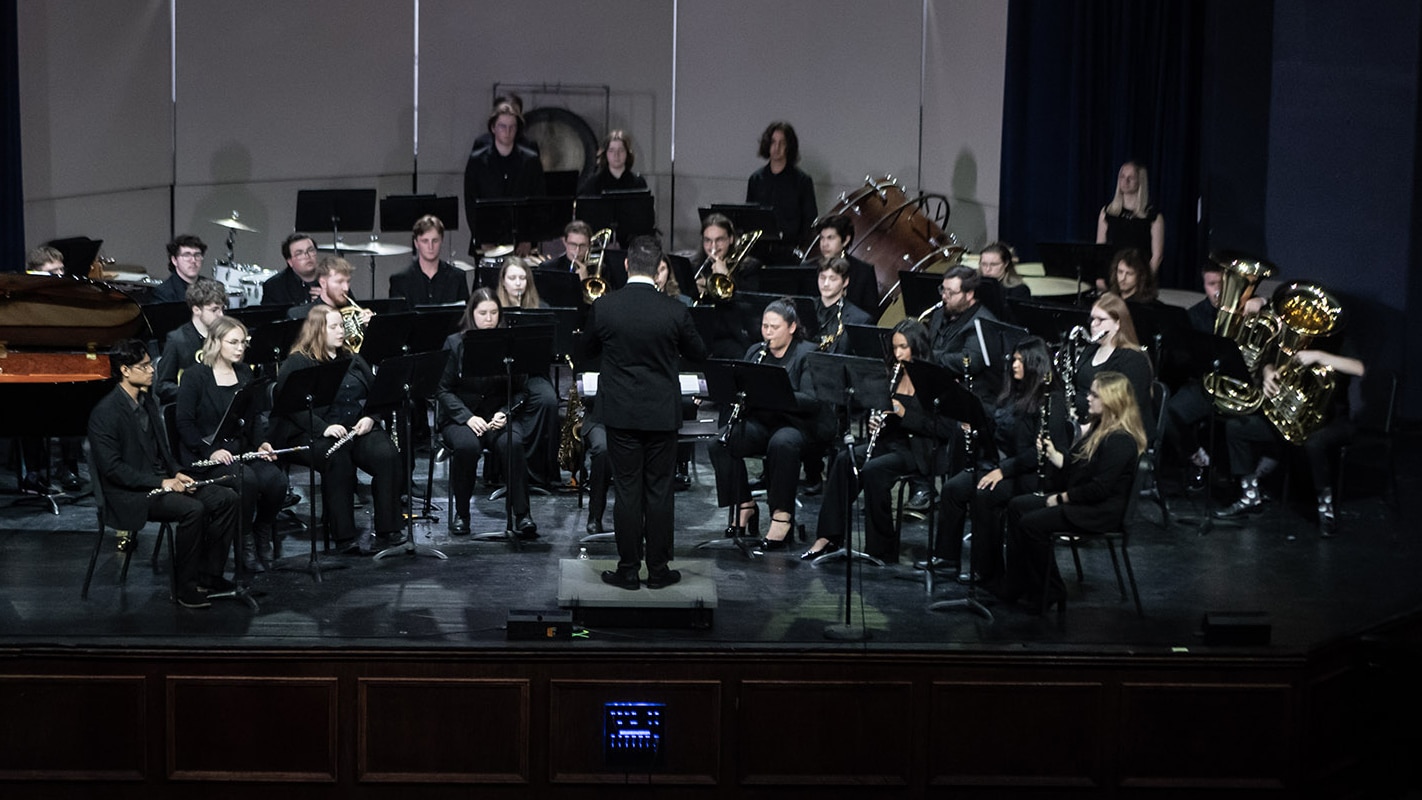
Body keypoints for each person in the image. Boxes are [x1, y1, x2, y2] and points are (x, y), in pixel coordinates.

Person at [582, 236, 708, 589]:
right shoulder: (674, 310)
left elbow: (585, 350)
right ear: (659, 270)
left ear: (626, 266)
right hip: (661, 415)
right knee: (659, 490)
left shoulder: (605, 307)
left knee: (626, 491)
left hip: (621, 415)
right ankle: (657, 570)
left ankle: (627, 570)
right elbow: (699, 353)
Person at [88, 339, 241, 609]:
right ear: (125, 370)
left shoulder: (147, 402)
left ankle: (209, 574)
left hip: (160, 481)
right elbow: (113, 470)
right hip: (131, 493)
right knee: (193, 510)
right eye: (144, 365)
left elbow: (164, 452)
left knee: (226, 498)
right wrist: (162, 482)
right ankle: (184, 586)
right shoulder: (105, 413)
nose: (151, 370)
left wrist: (178, 473)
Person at [995, 371, 1147, 613]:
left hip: (1098, 512)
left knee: (1032, 524)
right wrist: (1054, 455)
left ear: (1111, 401)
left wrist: (1059, 498)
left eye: (1095, 395)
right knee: (1016, 507)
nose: (1088, 398)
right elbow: (1079, 470)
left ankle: (1051, 589)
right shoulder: (1099, 431)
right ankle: (1019, 583)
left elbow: (1099, 489)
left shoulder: (1120, 440)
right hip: (1083, 501)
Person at [923, 336, 1069, 582]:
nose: (1014, 364)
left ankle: (987, 569)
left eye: (1021, 361)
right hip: (1000, 465)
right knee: (952, 488)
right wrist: (977, 427)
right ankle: (947, 558)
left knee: (985, 494)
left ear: (1035, 363)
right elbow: (1000, 428)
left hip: (1029, 475)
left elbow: (1039, 453)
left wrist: (1003, 471)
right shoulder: (1014, 393)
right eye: (1014, 359)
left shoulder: (1050, 400)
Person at [808, 320, 952, 563]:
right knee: (846, 460)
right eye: (895, 348)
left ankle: (882, 548)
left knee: (875, 470)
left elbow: (945, 429)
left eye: (903, 347)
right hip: (891, 442)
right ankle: (828, 536)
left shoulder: (935, 379)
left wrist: (905, 414)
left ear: (917, 347)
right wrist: (880, 422)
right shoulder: (894, 374)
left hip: (919, 450)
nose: (898, 354)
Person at [269, 305, 404, 555]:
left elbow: (377, 393)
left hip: (356, 428)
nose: (340, 331)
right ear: (317, 330)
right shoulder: (298, 362)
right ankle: (344, 536)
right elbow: (289, 406)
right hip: (312, 431)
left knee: (387, 455)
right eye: (333, 327)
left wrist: (372, 418)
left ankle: (389, 528)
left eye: (341, 325)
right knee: (337, 457)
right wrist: (324, 427)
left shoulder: (351, 358)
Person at [707, 298, 826, 553]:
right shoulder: (755, 352)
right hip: (762, 421)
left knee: (782, 444)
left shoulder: (809, 353)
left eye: (774, 327)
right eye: (764, 326)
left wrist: (776, 393)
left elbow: (813, 400)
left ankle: (782, 516)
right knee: (721, 443)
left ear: (792, 327)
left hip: (796, 425)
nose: (768, 333)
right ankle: (744, 503)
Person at [1214, 347, 1365, 537]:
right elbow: (1269, 358)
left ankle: (1326, 510)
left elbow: (1360, 368)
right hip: (1291, 416)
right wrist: (1268, 372)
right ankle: (1250, 496)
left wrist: (1319, 356)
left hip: (1331, 419)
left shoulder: (1339, 338)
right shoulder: (1294, 332)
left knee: (1313, 443)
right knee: (1237, 428)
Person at [175, 317, 285, 573]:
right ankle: (243, 539)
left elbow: (254, 416)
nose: (240, 348)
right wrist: (210, 450)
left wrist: (262, 443)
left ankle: (262, 530)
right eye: (233, 342)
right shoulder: (195, 376)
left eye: (243, 343)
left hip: (240, 452)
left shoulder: (245, 372)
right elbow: (185, 423)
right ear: (215, 342)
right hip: (206, 458)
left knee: (276, 481)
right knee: (246, 481)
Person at [436, 288, 538, 538]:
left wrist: (505, 412)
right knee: (467, 447)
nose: (489, 318)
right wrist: (468, 418)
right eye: (483, 313)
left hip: (496, 418)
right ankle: (462, 513)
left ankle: (523, 515)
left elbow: (521, 391)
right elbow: (442, 389)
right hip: (461, 418)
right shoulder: (454, 343)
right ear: (472, 314)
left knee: (513, 442)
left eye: (494, 313)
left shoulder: (508, 344)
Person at [464, 101, 546, 256]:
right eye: (502, 126)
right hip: (487, 242)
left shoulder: (531, 161)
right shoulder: (477, 161)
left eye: (512, 127)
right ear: (493, 128)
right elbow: (471, 203)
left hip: (522, 242)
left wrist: (528, 238)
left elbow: (538, 202)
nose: (507, 132)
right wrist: (483, 238)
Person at [1071, 293, 1156, 440]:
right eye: (1092, 319)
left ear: (1118, 324)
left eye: (1101, 320)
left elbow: (1126, 408)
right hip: (1084, 423)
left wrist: (1087, 428)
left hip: (1115, 434)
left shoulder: (1133, 359)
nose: (1093, 324)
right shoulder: (1090, 349)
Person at [746, 121, 816, 261]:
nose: (776, 148)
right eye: (773, 142)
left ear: (789, 147)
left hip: (789, 253)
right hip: (759, 252)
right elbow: (749, 217)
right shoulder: (756, 179)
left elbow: (810, 221)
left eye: (782, 143)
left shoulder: (802, 181)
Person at [155, 277, 227, 404]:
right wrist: (193, 393)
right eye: (214, 310)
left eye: (222, 309)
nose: (221, 315)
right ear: (196, 309)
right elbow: (163, 386)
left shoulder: (224, 336)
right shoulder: (177, 340)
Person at [805, 214, 881, 320]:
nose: (824, 244)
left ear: (845, 240)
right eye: (822, 238)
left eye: (830, 238)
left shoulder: (864, 271)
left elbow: (871, 314)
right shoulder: (807, 268)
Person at [1096, 161, 1164, 274]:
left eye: (1130, 177)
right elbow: (1099, 250)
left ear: (1140, 181)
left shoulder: (1153, 216)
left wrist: (1144, 282)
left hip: (1139, 280)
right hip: (1111, 277)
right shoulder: (1107, 212)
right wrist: (1099, 276)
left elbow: (1157, 256)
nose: (1125, 181)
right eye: (1122, 176)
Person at [388, 215, 470, 306]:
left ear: (441, 241)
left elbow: (465, 316)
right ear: (416, 243)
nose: (430, 247)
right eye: (425, 241)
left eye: (435, 241)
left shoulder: (457, 278)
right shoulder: (400, 280)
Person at [286, 256, 372, 327]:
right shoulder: (300, 315)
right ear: (323, 283)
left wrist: (372, 328)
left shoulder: (357, 315)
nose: (346, 288)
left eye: (348, 281)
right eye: (339, 282)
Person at [813, 257, 872, 355]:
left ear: (845, 282)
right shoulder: (804, 307)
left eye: (833, 279)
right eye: (822, 278)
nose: (826, 284)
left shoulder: (859, 319)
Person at [578, 129, 648, 196]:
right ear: (605, 154)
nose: (616, 155)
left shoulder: (638, 183)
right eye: (611, 150)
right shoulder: (593, 184)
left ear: (627, 153)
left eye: (621, 150)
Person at [261, 233, 322, 308]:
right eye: (299, 254)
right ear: (290, 262)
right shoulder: (275, 287)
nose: (307, 256)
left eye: (311, 250)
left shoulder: (333, 279)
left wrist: (329, 301)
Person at [975, 242, 1031, 320]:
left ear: (1006, 263)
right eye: (984, 264)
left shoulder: (1019, 290)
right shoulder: (974, 284)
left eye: (993, 264)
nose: (988, 269)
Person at [150, 235, 208, 305]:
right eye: (187, 255)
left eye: (197, 255)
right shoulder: (163, 292)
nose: (193, 260)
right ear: (174, 260)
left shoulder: (211, 287)